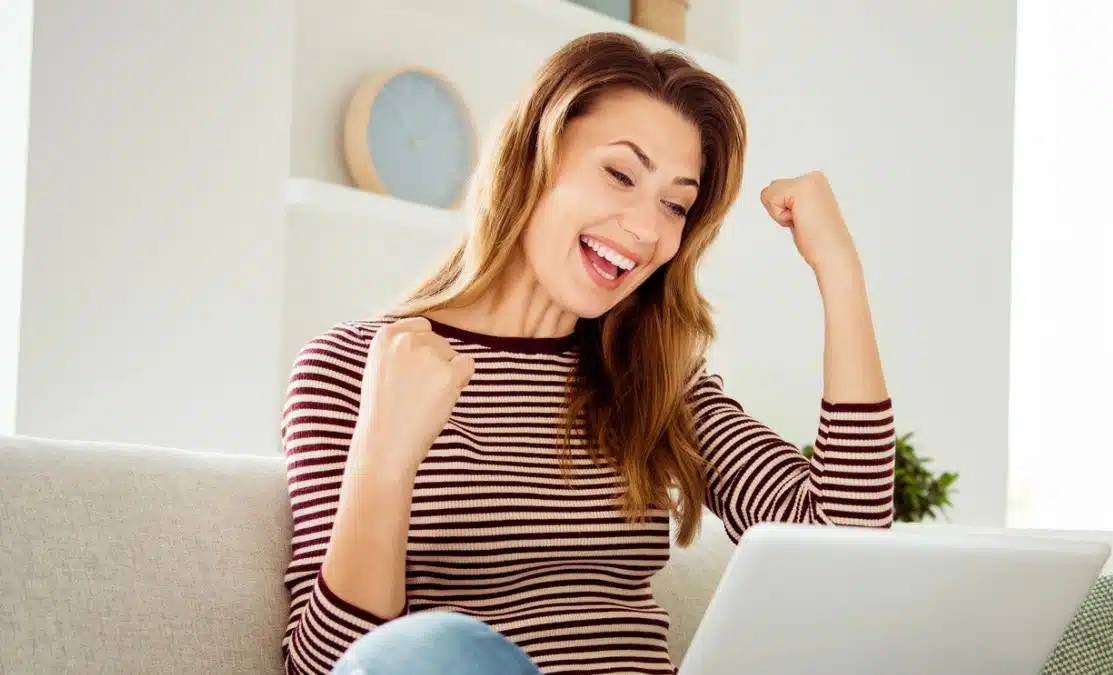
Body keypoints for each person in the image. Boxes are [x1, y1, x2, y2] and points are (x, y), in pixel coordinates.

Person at [279, 31, 895, 675]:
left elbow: (839, 543)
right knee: (439, 651)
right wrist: (385, 456)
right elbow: (328, 667)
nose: (646, 229)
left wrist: (839, 270)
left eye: (675, 205)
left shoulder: (656, 378)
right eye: (620, 174)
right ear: (533, 158)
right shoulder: (354, 367)